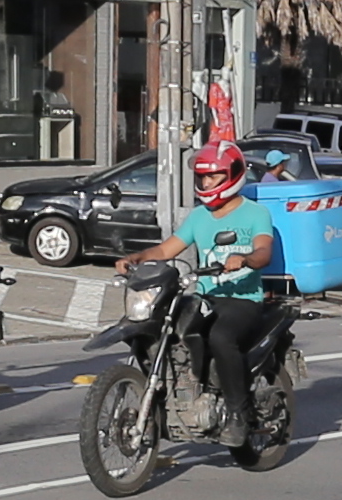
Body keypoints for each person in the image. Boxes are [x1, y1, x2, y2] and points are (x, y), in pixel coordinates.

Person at [118, 135, 288, 451]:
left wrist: (246, 259)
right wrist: (138, 258)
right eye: (203, 175)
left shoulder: (255, 214)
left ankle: (238, 412)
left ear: (233, 174)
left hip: (243, 300)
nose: (207, 181)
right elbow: (167, 248)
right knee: (164, 328)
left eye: (214, 175)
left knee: (221, 337)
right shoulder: (199, 217)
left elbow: (264, 251)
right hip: (206, 298)